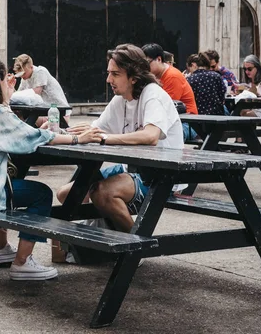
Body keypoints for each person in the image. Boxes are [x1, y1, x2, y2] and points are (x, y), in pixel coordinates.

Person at [0, 58, 102, 280]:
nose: (9, 82)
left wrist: (31, 124)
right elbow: (28, 138)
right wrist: (76, 139)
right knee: (41, 194)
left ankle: (2, 250)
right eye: (6, 79)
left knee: (13, 187)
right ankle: (23, 262)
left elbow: (19, 133)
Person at [57, 44, 184, 233]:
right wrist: (56, 133)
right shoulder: (120, 98)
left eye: (115, 74)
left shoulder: (153, 95)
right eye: (109, 73)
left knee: (104, 193)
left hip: (161, 177)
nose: (109, 79)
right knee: (67, 195)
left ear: (134, 77)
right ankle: (101, 235)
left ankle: (134, 249)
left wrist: (104, 138)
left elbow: (150, 136)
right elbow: (92, 131)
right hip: (131, 170)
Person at [142, 43, 198, 115]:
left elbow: (166, 105)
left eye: (147, 63)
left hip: (186, 120)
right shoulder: (155, 74)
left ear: (159, 59)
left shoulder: (172, 76)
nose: (145, 67)